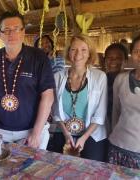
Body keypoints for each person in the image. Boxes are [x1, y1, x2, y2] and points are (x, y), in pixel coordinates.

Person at [0, 11, 55, 149]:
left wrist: (36, 133)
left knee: (33, 170)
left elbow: (48, 96)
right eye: (6, 30)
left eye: (16, 29)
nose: (11, 34)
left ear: (23, 32)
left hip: (32, 131)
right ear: (0, 34)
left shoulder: (39, 57)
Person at [52, 34, 108, 162]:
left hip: (92, 134)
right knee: (61, 169)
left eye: (84, 50)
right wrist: (67, 135)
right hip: (64, 132)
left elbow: (100, 114)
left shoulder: (100, 77)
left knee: (92, 170)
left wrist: (83, 138)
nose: (78, 54)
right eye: (73, 49)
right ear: (68, 52)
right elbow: (55, 111)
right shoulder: (58, 77)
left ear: (90, 54)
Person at [108, 36, 140, 169]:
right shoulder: (121, 79)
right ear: (131, 55)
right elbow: (116, 112)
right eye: (137, 51)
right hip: (118, 147)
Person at [103, 43, 128, 132]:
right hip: (103, 129)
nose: (113, 61)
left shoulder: (130, 81)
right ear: (104, 60)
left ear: (125, 61)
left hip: (125, 130)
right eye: (109, 58)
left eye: (118, 58)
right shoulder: (100, 81)